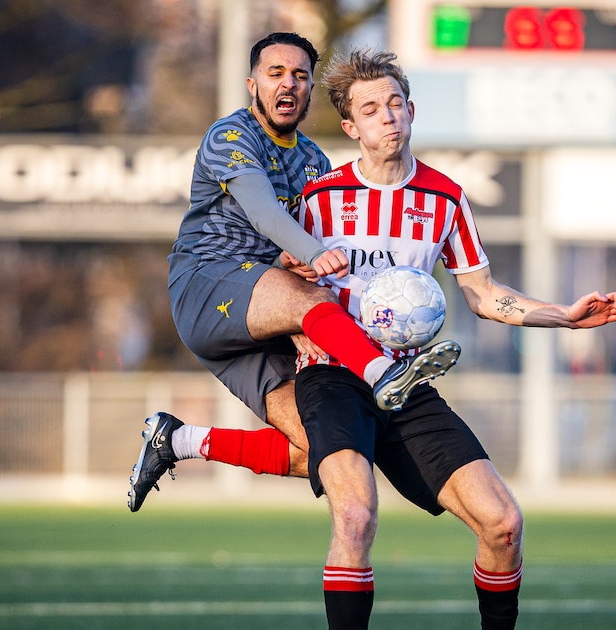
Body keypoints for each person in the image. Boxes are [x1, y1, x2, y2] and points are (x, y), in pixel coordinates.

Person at [284, 49, 616, 628]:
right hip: (335, 376)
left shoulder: (444, 199)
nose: (387, 116)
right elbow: (280, 283)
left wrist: (566, 317)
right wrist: (299, 328)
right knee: (356, 517)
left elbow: (485, 295)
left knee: (504, 524)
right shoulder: (319, 199)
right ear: (351, 127)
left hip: (409, 383)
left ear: (412, 110)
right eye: (371, 109)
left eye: (396, 103)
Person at [127, 32, 459, 511]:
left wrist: (304, 284)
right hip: (208, 286)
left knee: (321, 449)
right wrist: (313, 262)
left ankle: (178, 441)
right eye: (275, 73)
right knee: (315, 304)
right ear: (252, 83)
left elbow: (295, 262)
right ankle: (385, 373)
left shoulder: (314, 161)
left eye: (300, 76)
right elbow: (264, 213)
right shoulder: (231, 135)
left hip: (268, 312)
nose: (289, 84)